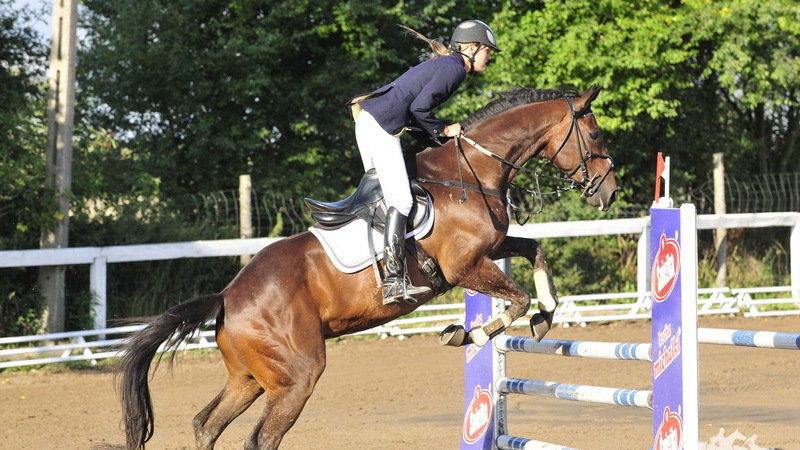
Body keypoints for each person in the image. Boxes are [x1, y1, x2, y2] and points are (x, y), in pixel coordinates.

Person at [349, 20, 500, 305]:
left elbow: (415, 108)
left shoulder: (449, 65)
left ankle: (378, 267)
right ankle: (393, 280)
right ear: (472, 47)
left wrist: (435, 134)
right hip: (381, 124)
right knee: (401, 202)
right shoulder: (455, 69)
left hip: (370, 120)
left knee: (382, 197)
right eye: (487, 51)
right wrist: (443, 130)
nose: (489, 56)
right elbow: (420, 108)